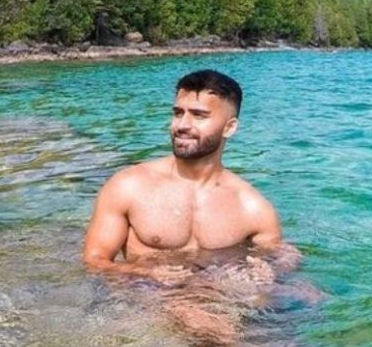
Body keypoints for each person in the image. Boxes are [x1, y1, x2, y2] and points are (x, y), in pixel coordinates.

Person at [83, 69, 295, 276]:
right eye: (178, 113)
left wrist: (276, 267)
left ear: (229, 127)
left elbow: (277, 261)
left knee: (309, 296)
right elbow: (94, 262)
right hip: (146, 299)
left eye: (199, 115)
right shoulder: (128, 187)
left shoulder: (253, 209)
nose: (182, 125)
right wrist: (143, 273)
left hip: (216, 302)